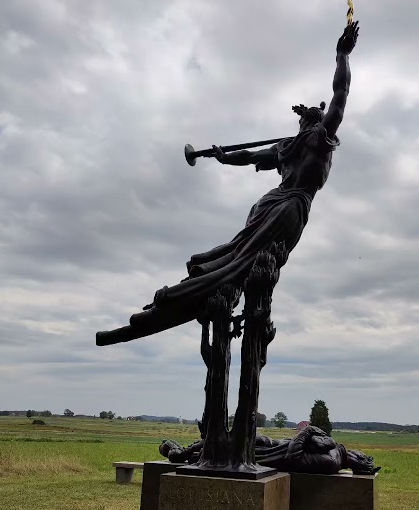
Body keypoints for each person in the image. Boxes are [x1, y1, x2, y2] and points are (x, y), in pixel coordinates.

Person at [96, 21, 360, 347]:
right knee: (242, 263)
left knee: (240, 255)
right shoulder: (318, 141)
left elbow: (248, 156)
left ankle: (177, 296)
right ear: (318, 122)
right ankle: (174, 299)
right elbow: (341, 94)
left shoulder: (288, 146)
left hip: (270, 203)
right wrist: (342, 54)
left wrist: (222, 158)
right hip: (288, 208)